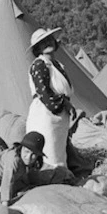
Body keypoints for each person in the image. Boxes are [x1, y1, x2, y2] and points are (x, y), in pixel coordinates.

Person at [25, 27, 75, 168]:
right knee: (49, 151)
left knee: (58, 152)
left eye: (49, 39)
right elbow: (44, 92)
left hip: (59, 114)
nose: (48, 43)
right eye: (43, 42)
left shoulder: (57, 65)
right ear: (38, 48)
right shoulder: (39, 65)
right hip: (46, 113)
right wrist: (63, 103)